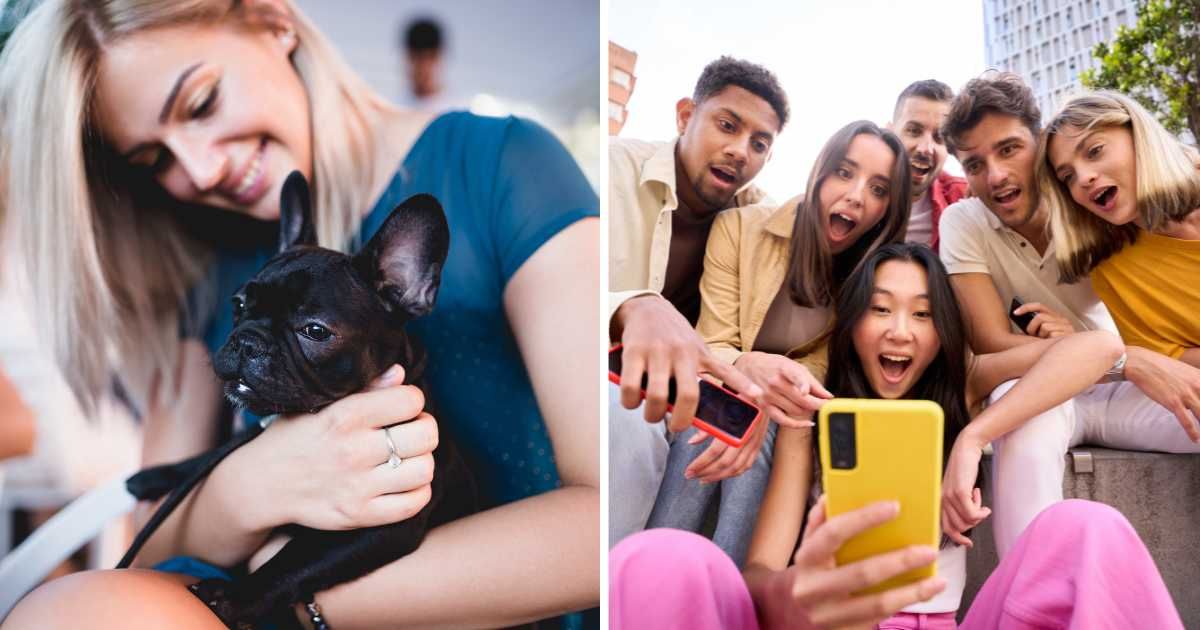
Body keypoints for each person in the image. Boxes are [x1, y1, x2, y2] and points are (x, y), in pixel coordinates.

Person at [0, 1, 598, 628]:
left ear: (272, 19)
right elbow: (148, 545)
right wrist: (248, 485)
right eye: (156, 161)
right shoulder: (210, 253)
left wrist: (294, 605)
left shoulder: (501, 165)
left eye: (202, 102)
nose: (202, 168)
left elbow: (595, 523)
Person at [611, 243, 1185, 630]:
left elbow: (1101, 348)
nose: (899, 331)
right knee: (662, 556)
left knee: (1084, 526)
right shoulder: (814, 413)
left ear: (943, 332)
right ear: (855, 320)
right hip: (827, 625)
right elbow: (758, 572)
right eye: (880, 309)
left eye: (923, 314)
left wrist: (971, 438)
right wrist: (803, 597)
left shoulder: (961, 389)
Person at [938, 72, 1200, 555]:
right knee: (1016, 403)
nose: (994, 175)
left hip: (1131, 387)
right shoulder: (967, 221)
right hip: (1062, 381)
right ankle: (1030, 595)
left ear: (1041, 143)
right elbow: (992, 341)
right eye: (974, 164)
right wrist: (1103, 354)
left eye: (1009, 149)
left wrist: (1115, 360)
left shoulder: (1105, 214)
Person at [648, 120, 911, 566]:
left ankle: (732, 593)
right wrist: (750, 377)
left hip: (792, 413)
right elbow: (712, 341)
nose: (856, 196)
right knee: (715, 416)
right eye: (844, 173)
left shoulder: (874, 278)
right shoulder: (739, 228)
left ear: (888, 208)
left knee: (772, 416)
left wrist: (766, 392)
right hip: (717, 388)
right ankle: (651, 575)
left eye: (879, 189)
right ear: (819, 172)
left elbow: (825, 371)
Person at [608, 56, 785, 546]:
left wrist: (755, 383)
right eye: (726, 125)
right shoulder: (612, 169)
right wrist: (632, 305)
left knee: (750, 421)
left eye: (759, 143)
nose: (739, 151)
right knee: (623, 417)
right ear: (686, 116)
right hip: (598, 380)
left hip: (685, 393)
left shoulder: (759, 222)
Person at [1041, 91, 1200, 374]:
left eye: (1094, 151)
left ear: (1138, 136)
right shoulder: (1112, 271)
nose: (1083, 178)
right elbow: (1170, 358)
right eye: (1068, 177)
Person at [887, 80, 967, 250]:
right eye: (914, 131)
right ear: (890, 133)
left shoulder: (965, 201)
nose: (926, 149)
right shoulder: (859, 197)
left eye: (939, 137)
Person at [398, 16, 450, 112]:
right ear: (407, 57)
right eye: (417, 57)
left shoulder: (456, 109)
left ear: (439, 57)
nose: (424, 67)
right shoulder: (394, 108)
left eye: (430, 57)